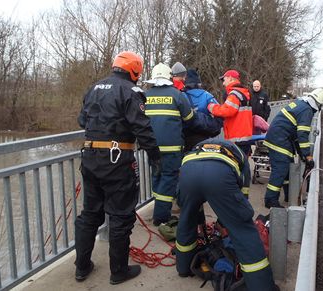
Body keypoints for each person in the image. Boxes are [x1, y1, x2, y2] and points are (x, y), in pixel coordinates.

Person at [75, 51, 161, 284]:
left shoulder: (94, 88)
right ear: (134, 70)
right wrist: (156, 158)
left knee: (90, 214)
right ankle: (118, 271)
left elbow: (82, 121)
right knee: (121, 216)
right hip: (116, 160)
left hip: (91, 157)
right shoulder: (131, 92)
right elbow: (143, 129)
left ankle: (81, 267)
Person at [175, 138, 278, 291]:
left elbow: (193, 201)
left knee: (187, 219)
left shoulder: (203, 145)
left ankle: (183, 267)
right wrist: (226, 222)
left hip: (188, 171)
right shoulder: (241, 159)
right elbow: (241, 202)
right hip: (218, 175)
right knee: (243, 229)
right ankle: (262, 286)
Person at [144, 63, 216, 226]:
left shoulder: (145, 96)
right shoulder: (177, 95)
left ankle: (158, 208)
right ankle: (162, 216)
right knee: (169, 178)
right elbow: (190, 119)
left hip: (152, 147)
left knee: (156, 175)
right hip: (172, 148)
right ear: (169, 77)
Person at [263, 88, 323, 208]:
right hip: (280, 141)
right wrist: (307, 155)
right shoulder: (307, 110)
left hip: (279, 138)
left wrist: (302, 153)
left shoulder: (301, 104)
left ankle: (290, 195)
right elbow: (302, 135)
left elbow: (297, 135)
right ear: (320, 103)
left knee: (287, 170)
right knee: (280, 170)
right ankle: (270, 200)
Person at [207, 69, 253, 155]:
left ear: (231, 78)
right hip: (245, 137)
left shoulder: (234, 94)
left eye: (224, 80)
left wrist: (211, 107)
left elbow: (226, 111)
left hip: (237, 138)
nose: (223, 83)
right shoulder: (244, 93)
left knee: (235, 165)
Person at [183, 68, 223, 151]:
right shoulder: (207, 96)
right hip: (205, 135)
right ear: (199, 83)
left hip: (187, 137)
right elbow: (219, 114)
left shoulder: (181, 96)